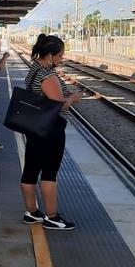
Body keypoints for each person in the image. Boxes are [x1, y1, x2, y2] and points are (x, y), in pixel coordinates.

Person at [21, 34, 80, 231]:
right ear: (50, 55)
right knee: (49, 173)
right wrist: (72, 98)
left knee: (30, 170)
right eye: (60, 56)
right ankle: (52, 217)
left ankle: (32, 212)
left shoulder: (34, 69)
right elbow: (59, 105)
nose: (62, 59)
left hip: (35, 128)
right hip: (50, 129)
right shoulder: (47, 75)